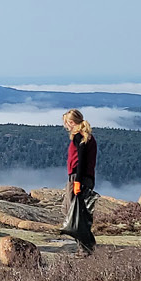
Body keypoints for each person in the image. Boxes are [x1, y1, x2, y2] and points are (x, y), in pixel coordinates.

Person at [61, 109, 98, 255]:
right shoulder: (88, 136)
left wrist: (77, 182)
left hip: (78, 177)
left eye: (66, 123)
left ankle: (85, 248)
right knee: (79, 212)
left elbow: (81, 160)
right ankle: (87, 245)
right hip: (86, 178)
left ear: (71, 122)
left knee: (73, 212)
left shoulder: (79, 136)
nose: (66, 126)